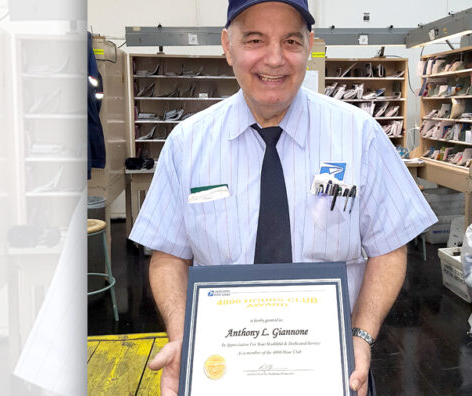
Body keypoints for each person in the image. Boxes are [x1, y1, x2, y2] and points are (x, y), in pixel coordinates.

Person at [129, 1, 437, 395]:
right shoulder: (187, 144)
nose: (274, 60)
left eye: (291, 41)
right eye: (255, 40)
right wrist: (184, 336)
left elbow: (390, 247)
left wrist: (360, 337)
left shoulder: (359, 135)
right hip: (222, 369)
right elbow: (169, 256)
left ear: (310, 46)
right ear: (227, 45)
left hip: (333, 367)